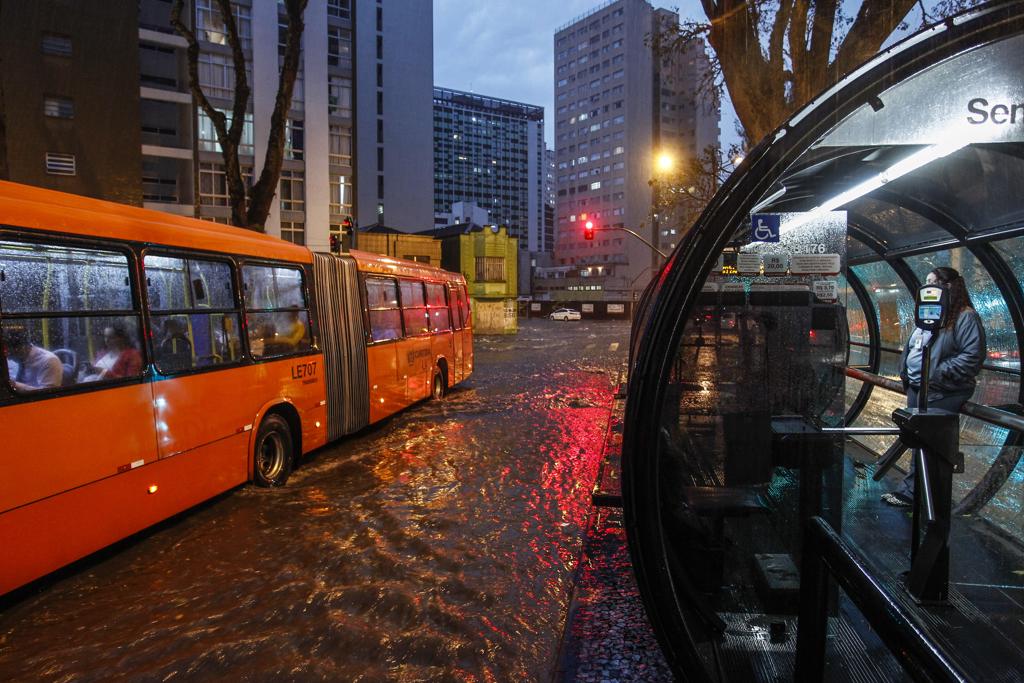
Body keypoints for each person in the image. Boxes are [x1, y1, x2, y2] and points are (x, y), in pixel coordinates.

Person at [881, 267, 986, 507]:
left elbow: (972, 355)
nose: (926, 288)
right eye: (926, 283)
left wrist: (937, 374)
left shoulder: (964, 316)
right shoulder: (931, 314)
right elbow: (915, 346)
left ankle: (919, 496)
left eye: (932, 283)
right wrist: (907, 374)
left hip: (941, 391)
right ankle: (916, 493)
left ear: (948, 287)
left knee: (930, 443)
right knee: (917, 439)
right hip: (918, 388)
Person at [3, 327, 62, 391]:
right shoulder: (18, 360)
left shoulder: (49, 361)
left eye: (10, 352)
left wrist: (15, 385)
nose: (8, 356)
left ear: (22, 348)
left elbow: (48, 394)